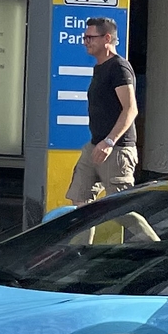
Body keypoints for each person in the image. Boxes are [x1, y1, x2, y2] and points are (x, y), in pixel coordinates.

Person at [68, 15, 139, 204]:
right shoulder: (100, 67)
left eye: (90, 38)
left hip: (116, 150)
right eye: (85, 38)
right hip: (94, 146)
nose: (86, 42)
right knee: (80, 206)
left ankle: (145, 236)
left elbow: (131, 109)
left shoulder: (119, 67)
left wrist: (109, 142)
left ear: (107, 39)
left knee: (123, 210)